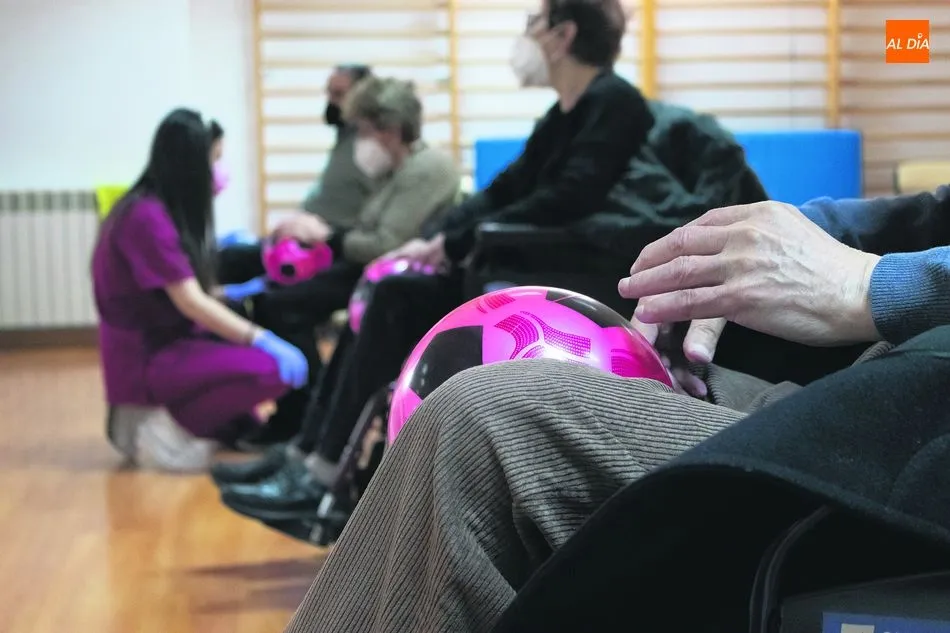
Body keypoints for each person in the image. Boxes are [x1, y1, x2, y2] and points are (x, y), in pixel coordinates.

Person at [280, 185, 950, 633]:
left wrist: (875, 283)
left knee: (487, 426)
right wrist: (755, 240)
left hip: (919, 436)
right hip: (892, 382)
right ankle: (314, 469)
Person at [210, 0, 656, 507]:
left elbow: (567, 201)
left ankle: (323, 469)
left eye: (534, 22)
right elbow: (503, 191)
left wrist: (452, 243)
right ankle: (310, 452)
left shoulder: (617, 105)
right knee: (382, 290)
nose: (527, 33)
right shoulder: (562, 115)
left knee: (393, 296)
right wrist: (436, 237)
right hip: (511, 263)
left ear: (563, 36)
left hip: (560, 275)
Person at [220, 76, 462, 448]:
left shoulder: (429, 168)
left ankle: (303, 421)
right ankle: (303, 418)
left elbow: (385, 243)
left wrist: (325, 236)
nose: (359, 142)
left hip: (394, 279)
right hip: (370, 270)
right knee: (272, 293)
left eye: (364, 131)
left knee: (280, 305)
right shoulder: (396, 170)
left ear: (391, 129)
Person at [93, 108, 309, 473]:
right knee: (270, 368)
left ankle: (207, 421)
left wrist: (240, 292)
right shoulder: (146, 217)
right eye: (215, 160)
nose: (219, 172)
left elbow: (184, 291)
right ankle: (167, 423)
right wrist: (261, 337)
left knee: (248, 411)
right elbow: (190, 301)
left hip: (168, 344)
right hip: (149, 359)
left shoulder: (155, 209)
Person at [216, 64, 377, 281]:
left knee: (233, 260)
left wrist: (322, 231)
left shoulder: (371, 150)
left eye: (339, 94)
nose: (331, 101)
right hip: (305, 237)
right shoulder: (345, 140)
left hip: (326, 246)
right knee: (228, 254)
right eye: (329, 92)